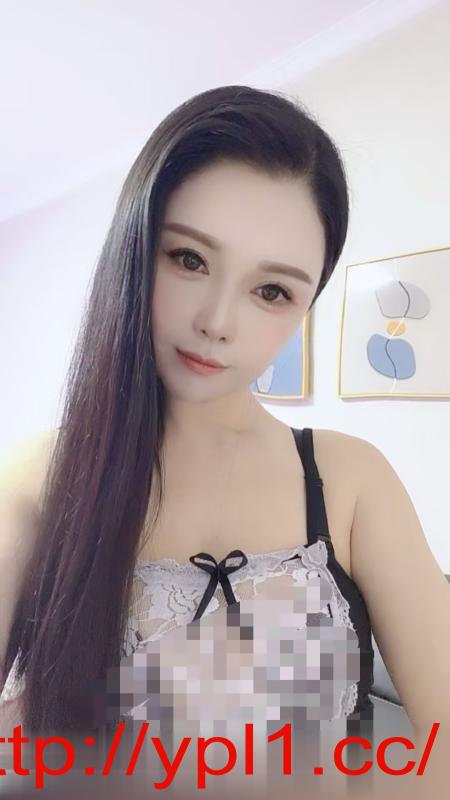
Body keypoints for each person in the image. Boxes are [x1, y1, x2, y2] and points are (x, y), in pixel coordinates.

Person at [0, 87, 449, 757]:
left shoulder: (349, 479)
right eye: (189, 259)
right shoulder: (41, 478)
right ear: (135, 248)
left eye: (271, 291)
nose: (217, 322)